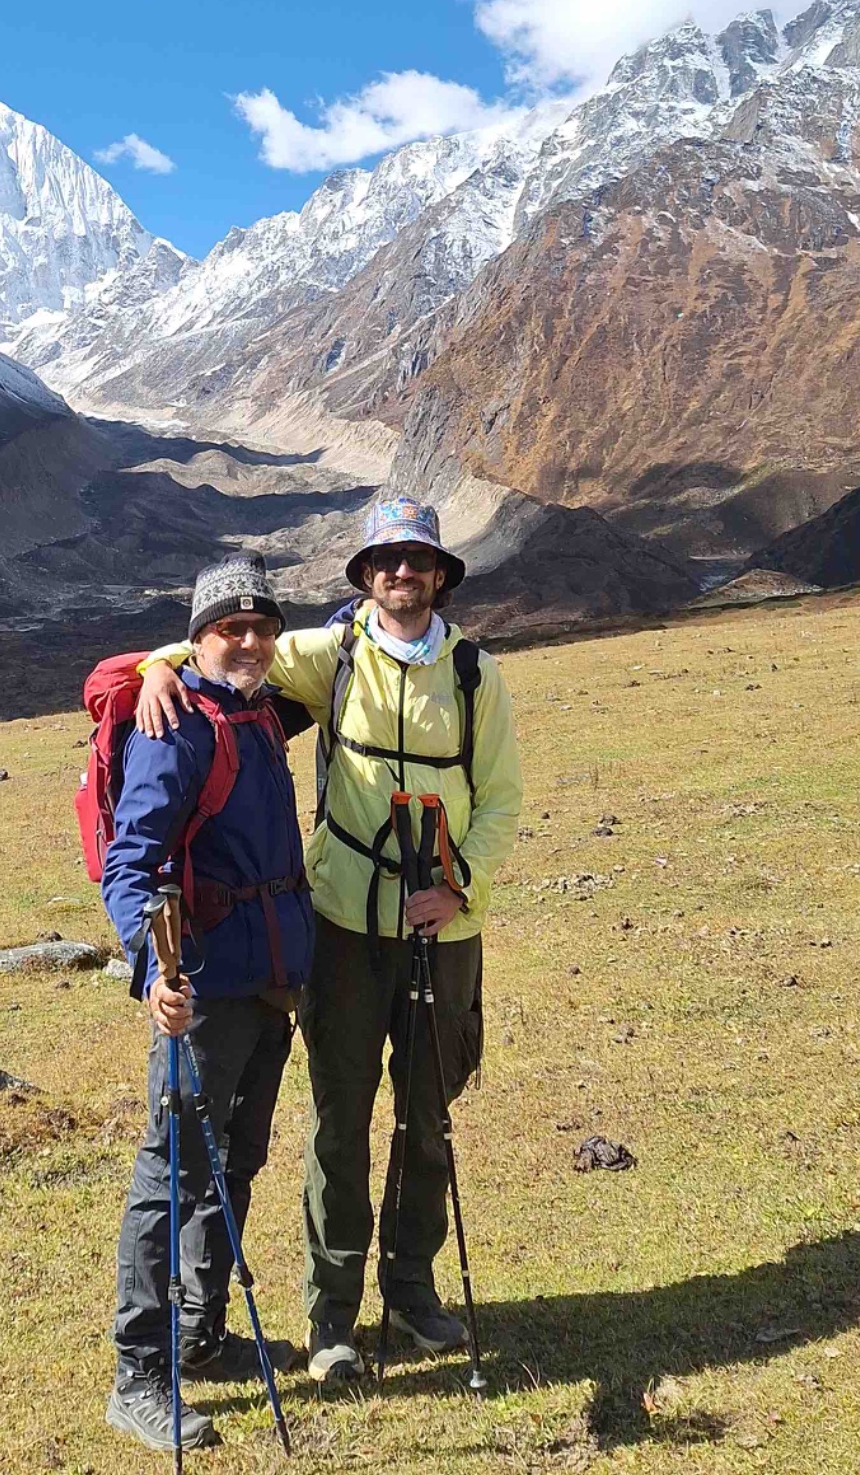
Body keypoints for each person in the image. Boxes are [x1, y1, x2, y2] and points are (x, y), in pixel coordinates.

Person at [136, 497, 523, 1388]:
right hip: (343, 925)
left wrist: (457, 882)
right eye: (385, 560)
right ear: (364, 576)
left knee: (427, 1114)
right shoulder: (332, 653)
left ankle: (414, 1292)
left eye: (415, 560)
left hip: (445, 928)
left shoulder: (475, 676)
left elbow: (501, 798)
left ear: (437, 574)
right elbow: (224, 651)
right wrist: (156, 671)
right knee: (338, 1121)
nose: (401, 573)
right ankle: (331, 1317)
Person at [101, 552, 317, 1453]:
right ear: (197, 638)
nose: (252, 641)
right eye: (232, 627)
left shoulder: (261, 711)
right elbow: (132, 861)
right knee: (173, 1171)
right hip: (203, 991)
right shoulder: (175, 723)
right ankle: (140, 1375)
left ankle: (202, 1329)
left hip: (270, 983)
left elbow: (359, 625)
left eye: (263, 626)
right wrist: (154, 976)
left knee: (240, 1157)